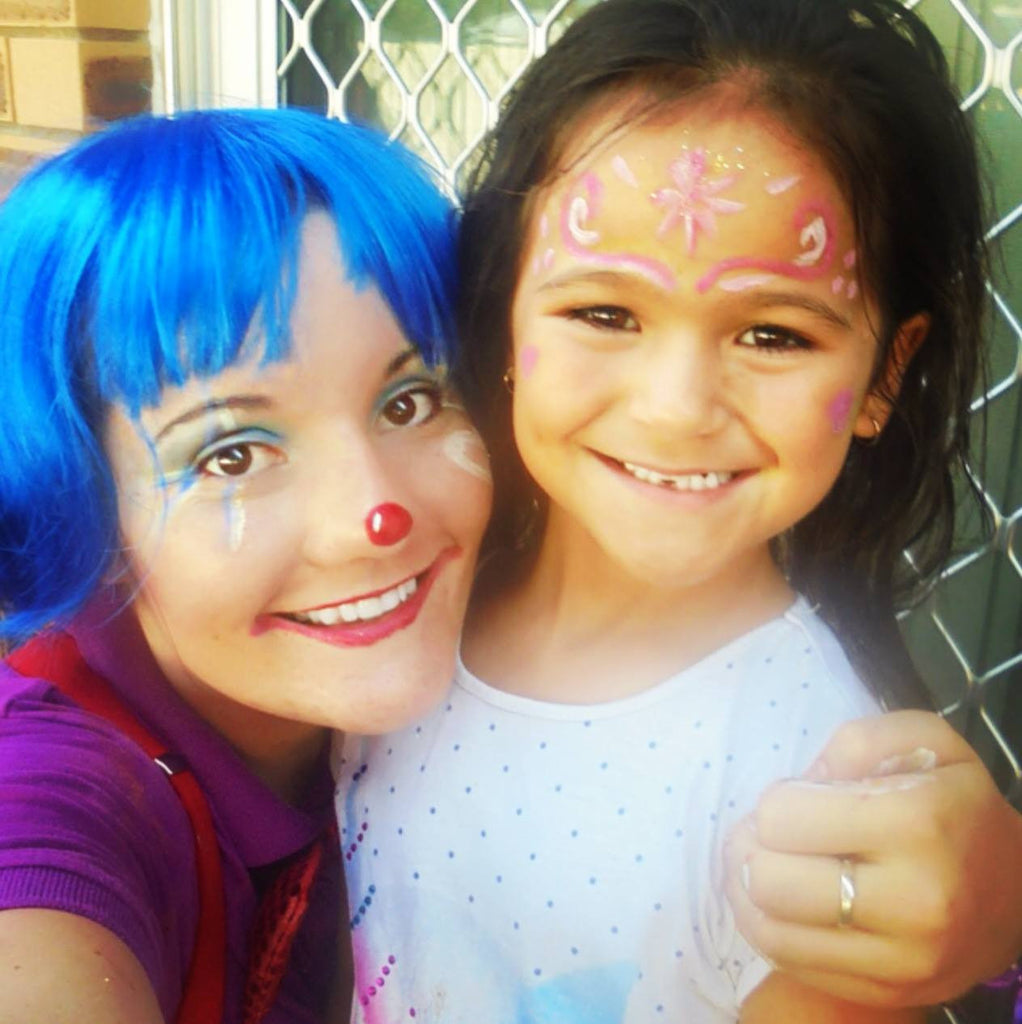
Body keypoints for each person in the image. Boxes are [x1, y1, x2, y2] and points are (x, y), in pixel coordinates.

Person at [334, 0, 992, 1019]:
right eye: (603, 313)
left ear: (884, 375)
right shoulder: (384, 604)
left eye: (774, 335)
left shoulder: (818, 801)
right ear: (505, 313)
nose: (675, 408)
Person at [0, 108, 492, 1024]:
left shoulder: (491, 681)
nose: (373, 519)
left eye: (411, 399)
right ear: (78, 500)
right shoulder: (55, 790)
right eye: (232, 454)